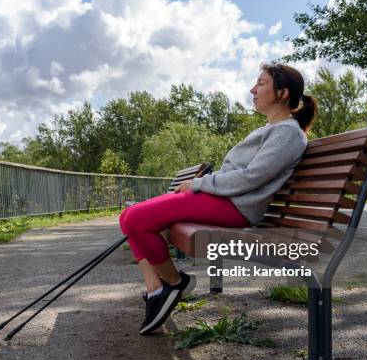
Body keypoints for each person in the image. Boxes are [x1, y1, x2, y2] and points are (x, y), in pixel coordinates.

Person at [119, 63, 316, 335]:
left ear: (282, 93)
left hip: (235, 207)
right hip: (224, 200)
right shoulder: (273, 130)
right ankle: (157, 290)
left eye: (261, 83)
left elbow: (252, 177)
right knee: (128, 216)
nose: (253, 89)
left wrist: (199, 183)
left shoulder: (288, 133)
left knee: (137, 218)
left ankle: (174, 284)